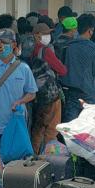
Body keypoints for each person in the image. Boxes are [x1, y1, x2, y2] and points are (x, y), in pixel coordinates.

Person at [0, 29, 37, 155]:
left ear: (14, 44)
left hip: (14, 123)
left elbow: (32, 93)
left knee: (13, 163)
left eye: (5, 42)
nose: (1, 45)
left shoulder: (23, 68)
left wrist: (21, 101)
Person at [30, 23, 66, 153]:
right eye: (45, 33)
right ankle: (48, 157)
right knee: (51, 129)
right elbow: (62, 70)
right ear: (37, 35)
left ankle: (34, 155)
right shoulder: (45, 50)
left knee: (38, 128)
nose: (48, 36)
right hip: (50, 95)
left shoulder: (31, 51)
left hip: (37, 95)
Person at [60, 16, 95, 122]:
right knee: (89, 125)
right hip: (88, 91)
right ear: (90, 31)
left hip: (70, 92)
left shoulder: (68, 46)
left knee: (71, 125)